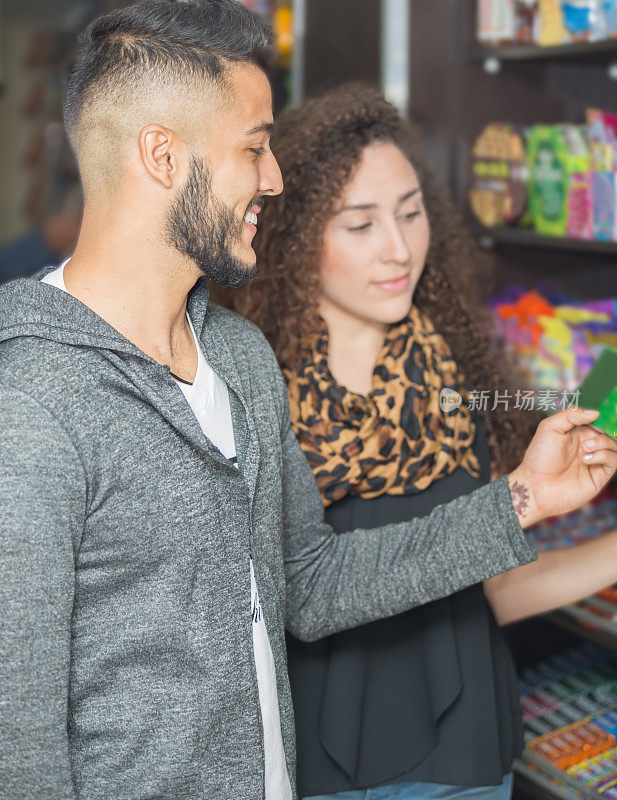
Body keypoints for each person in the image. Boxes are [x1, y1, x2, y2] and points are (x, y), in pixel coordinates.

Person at [0, 4, 615, 800]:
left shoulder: (236, 357)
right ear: (161, 155)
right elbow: (18, 742)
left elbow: (312, 585)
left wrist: (526, 496)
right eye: (253, 147)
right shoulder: (32, 405)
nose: (276, 178)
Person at [217, 84, 617, 800]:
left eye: (410, 213)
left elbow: (485, 593)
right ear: (295, 234)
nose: (398, 249)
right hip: (320, 766)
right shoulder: (248, 396)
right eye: (359, 224)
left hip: (470, 756)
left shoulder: (456, 381)